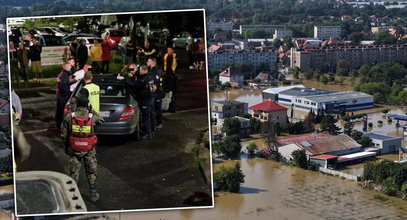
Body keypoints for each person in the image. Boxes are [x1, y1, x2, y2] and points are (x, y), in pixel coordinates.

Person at [61, 95, 103, 203]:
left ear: (78, 104)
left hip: (74, 148)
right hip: (89, 150)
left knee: (73, 172)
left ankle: (72, 196)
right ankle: (93, 194)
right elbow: (101, 120)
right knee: (91, 171)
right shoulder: (92, 117)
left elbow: (64, 134)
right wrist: (92, 110)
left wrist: (66, 148)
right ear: (87, 104)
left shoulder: (70, 116)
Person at [126, 65, 156, 139]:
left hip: (145, 100)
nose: (139, 71)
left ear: (142, 70)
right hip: (150, 98)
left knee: (146, 116)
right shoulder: (150, 76)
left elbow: (133, 84)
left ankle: (147, 133)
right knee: (151, 115)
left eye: (140, 70)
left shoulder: (143, 79)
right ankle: (152, 130)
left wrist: (127, 78)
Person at [55, 62, 74, 128]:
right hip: (63, 96)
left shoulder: (66, 74)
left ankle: (59, 123)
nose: (71, 67)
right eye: (69, 66)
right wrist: (68, 92)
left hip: (62, 95)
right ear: (65, 67)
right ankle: (61, 124)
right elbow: (63, 86)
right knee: (62, 111)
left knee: (60, 110)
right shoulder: (65, 75)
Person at [147, 57, 163, 128]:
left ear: (153, 62)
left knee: (157, 108)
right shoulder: (150, 70)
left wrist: (156, 86)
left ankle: (159, 123)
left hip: (157, 93)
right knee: (153, 108)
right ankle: (154, 122)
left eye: (148, 61)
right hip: (152, 92)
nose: (147, 62)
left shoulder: (156, 71)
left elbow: (160, 81)